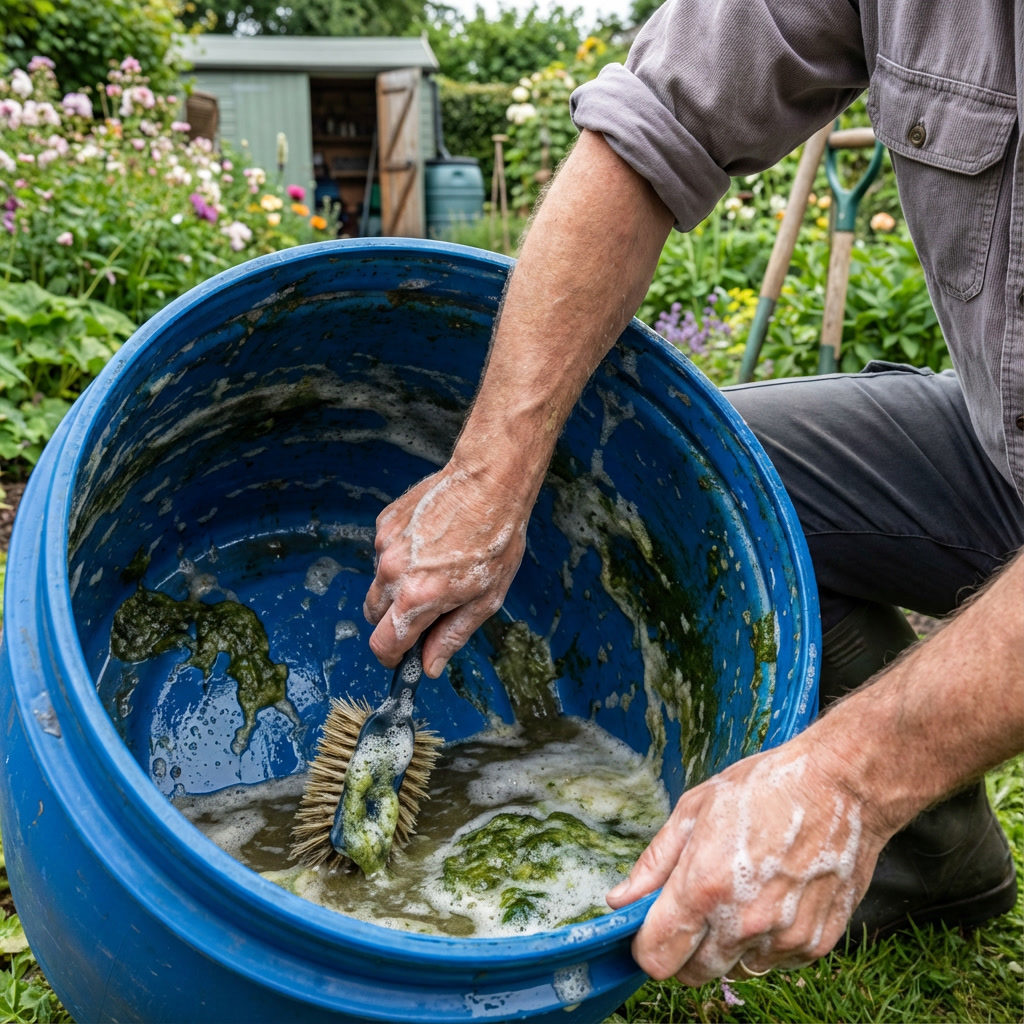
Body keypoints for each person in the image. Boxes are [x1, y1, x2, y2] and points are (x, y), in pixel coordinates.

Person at [362, 0, 1023, 984]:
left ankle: (874, 809)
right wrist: (488, 475)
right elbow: (649, 128)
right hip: (997, 448)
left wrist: (847, 776)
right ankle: (938, 860)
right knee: (709, 480)